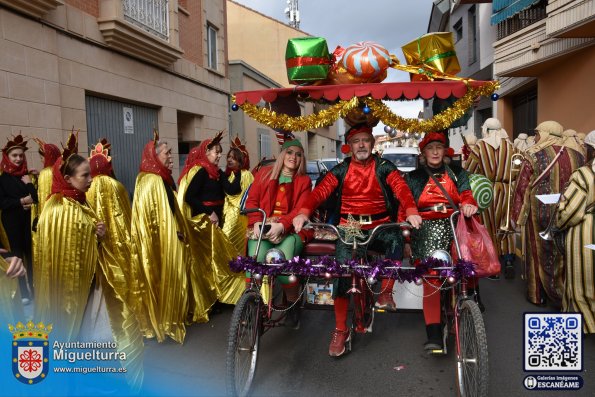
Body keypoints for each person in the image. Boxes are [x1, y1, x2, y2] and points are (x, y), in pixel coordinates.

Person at [293, 124, 422, 357]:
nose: (361, 145)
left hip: (380, 222)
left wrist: (411, 209)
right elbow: (320, 191)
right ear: (349, 146)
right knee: (343, 273)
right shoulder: (341, 169)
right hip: (350, 226)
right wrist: (303, 212)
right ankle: (341, 329)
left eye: (365, 140)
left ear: (372, 144)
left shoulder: (384, 166)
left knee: (395, 242)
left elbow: (401, 187)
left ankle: (385, 292)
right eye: (356, 141)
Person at [34, 134, 143, 389]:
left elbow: (84, 239)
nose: (90, 180)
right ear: (68, 178)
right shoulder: (60, 207)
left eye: (89, 174)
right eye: (84, 176)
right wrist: (94, 233)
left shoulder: (76, 201)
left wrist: (97, 233)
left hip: (86, 286)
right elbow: (69, 252)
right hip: (70, 292)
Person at [401, 132, 478, 351]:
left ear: (445, 151)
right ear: (423, 153)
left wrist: (469, 204)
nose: (435, 152)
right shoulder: (413, 177)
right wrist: (406, 235)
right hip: (425, 229)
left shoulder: (457, 172)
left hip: (454, 224)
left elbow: (466, 194)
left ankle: (467, 303)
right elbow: (404, 208)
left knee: (464, 270)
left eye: (439, 147)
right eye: (430, 148)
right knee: (432, 280)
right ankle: (433, 333)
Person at [511, 121, 585, 306]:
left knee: (537, 253)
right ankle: (565, 293)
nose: (535, 138)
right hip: (569, 211)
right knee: (563, 252)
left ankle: (538, 295)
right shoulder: (578, 155)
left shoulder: (533, 155)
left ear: (545, 134)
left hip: (539, 212)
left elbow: (522, 187)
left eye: (537, 134)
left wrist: (516, 214)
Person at [246, 137, 313, 329]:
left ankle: (292, 305)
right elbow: (252, 203)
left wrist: (282, 226)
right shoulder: (264, 174)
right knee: (254, 262)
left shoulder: (304, 181)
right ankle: (252, 305)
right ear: (283, 154)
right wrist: (257, 222)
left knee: (282, 266)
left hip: (291, 230)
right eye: (290, 152)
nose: (293, 157)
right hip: (263, 227)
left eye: (298, 155)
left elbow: (300, 210)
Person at [130, 133, 191, 343]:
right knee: (167, 278)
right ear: (155, 156)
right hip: (160, 242)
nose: (171, 157)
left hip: (166, 238)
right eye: (167, 153)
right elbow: (154, 216)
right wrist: (172, 235)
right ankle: (165, 323)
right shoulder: (152, 180)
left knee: (164, 280)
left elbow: (167, 211)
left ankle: (165, 321)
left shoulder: (159, 177)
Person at [177, 132, 244, 309]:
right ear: (206, 153)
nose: (219, 155)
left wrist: (237, 171)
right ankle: (210, 300)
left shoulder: (218, 172)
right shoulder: (200, 172)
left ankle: (223, 296)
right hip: (205, 222)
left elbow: (232, 190)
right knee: (208, 261)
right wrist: (208, 212)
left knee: (219, 258)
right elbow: (190, 197)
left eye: (220, 152)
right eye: (216, 152)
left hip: (217, 220)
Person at [466, 118, 519, 278]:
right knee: (506, 224)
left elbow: (469, 170)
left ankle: (492, 265)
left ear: (486, 129)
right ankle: (508, 259)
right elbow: (518, 168)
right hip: (506, 189)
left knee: (487, 226)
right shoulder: (511, 147)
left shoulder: (480, 147)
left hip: (486, 190)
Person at [556, 130, 595, 333]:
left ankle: (584, 322)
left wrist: (559, 222)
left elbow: (570, 211)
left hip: (585, 233)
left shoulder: (583, 175)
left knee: (581, 281)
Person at [0, 134, 37, 303]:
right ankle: (23, 292)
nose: (18, 158)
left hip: (27, 223)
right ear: (7, 157)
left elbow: (36, 197)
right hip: (12, 224)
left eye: (21, 155)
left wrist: (29, 183)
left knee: (31, 255)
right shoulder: (2, 179)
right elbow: (2, 202)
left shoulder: (27, 176)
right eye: (14, 155)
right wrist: (21, 201)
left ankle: (35, 289)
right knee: (17, 256)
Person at [30, 138, 61, 300]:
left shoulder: (45, 173)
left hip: (47, 221)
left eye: (43, 156)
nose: (42, 159)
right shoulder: (59, 169)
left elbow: (42, 200)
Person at [222, 137, 254, 254]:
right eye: (228, 157)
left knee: (228, 238)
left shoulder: (245, 174)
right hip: (227, 213)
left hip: (238, 215)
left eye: (233, 158)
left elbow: (233, 191)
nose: (230, 160)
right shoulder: (229, 174)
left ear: (240, 161)